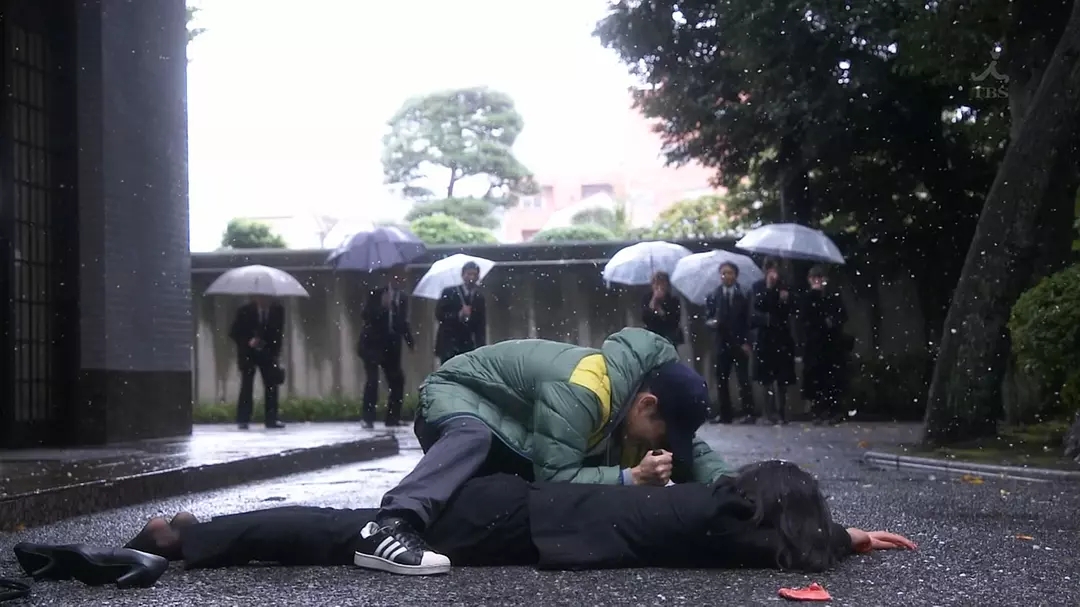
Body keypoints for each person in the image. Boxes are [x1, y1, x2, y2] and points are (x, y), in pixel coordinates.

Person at [351, 327, 728, 575]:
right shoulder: (584, 388)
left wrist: (735, 489)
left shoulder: (635, 399)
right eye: (659, 434)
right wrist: (632, 476)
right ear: (646, 405)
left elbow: (691, 450)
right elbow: (557, 479)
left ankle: (432, 528)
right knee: (474, 438)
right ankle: (389, 525)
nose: (656, 447)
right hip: (457, 394)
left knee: (498, 498)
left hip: (512, 426)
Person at [120, 460, 915, 575]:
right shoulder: (724, 510)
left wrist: (843, 534)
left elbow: (760, 540)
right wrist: (840, 537)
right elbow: (766, 546)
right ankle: (191, 538)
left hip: (517, 509)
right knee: (345, 534)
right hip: (513, 513)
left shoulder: (721, 505)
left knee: (344, 529)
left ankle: (193, 535)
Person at [357, 267, 415, 428]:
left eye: (402, 277)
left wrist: (410, 341)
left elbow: (403, 323)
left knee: (397, 381)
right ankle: (367, 418)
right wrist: (382, 307)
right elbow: (366, 316)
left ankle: (392, 418)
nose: (399, 280)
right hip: (372, 345)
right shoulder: (376, 294)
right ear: (389, 277)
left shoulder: (402, 298)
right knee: (372, 381)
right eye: (396, 276)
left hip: (391, 346)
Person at [704, 262, 756, 424]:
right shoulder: (714, 295)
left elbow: (749, 320)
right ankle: (726, 414)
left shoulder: (744, 293)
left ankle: (749, 412)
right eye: (724, 273)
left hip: (739, 343)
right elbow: (708, 317)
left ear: (735, 275)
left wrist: (747, 342)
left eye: (730, 273)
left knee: (743, 379)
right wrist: (712, 322)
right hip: (722, 342)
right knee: (721, 379)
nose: (726, 276)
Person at [798, 265, 850, 425]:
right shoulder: (808, 297)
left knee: (831, 379)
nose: (818, 282)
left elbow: (842, 315)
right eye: (814, 279)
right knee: (815, 379)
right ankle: (818, 410)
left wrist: (832, 321)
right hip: (814, 345)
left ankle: (833, 411)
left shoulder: (833, 296)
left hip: (831, 345)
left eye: (820, 278)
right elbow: (804, 318)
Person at [750, 258, 797, 425]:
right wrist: (769, 289)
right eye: (770, 269)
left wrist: (785, 299)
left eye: (775, 270)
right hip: (765, 338)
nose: (773, 273)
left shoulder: (785, 287)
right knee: (766, 379)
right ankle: (769, 413)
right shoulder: (758, 287)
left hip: (782, 337)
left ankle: (782, 412)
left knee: (782, 378)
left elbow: (791, 310)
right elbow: (757, 307)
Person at [228, 295, 286, 430]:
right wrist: (249, 340)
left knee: (271, 386)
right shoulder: (244, 311)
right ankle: (243, 419)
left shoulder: (278, 311)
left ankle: (271, 419)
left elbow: (278, 333)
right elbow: (234, 332)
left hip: (268, 352)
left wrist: (273, 352)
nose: (264, 300)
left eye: (266, 298)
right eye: (261, 298)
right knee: (247, 385)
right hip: (248, 354)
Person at [434, 261, 486, 364]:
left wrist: (482, 348)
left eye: (475, 274)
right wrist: (458, 315)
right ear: (463, 275)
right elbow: (439, 314)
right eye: (469, 274)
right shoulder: (450, 292)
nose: (471, 277)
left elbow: (481, 325)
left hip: (467, 344)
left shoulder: (479, 297)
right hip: (449, 343)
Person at [641, 271, 684, 346]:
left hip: (669, 335)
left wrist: (662, 312)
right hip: (652, 335)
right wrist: (654, 300)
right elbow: (645, 317)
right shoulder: (647, 298)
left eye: (662, 283)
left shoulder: (673, 300)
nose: (659, 287)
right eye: (656, 284)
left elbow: (674, 321)